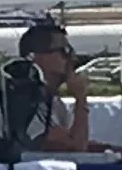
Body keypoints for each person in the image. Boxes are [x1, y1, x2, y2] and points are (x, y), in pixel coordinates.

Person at [13, 18, 93, 153]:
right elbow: (75, 147)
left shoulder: (54, 103)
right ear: (38, 57)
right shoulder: (27, 101)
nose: (72, 58)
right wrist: (81, 99)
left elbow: (73, 141)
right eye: (65, 51)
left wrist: (113, 150)